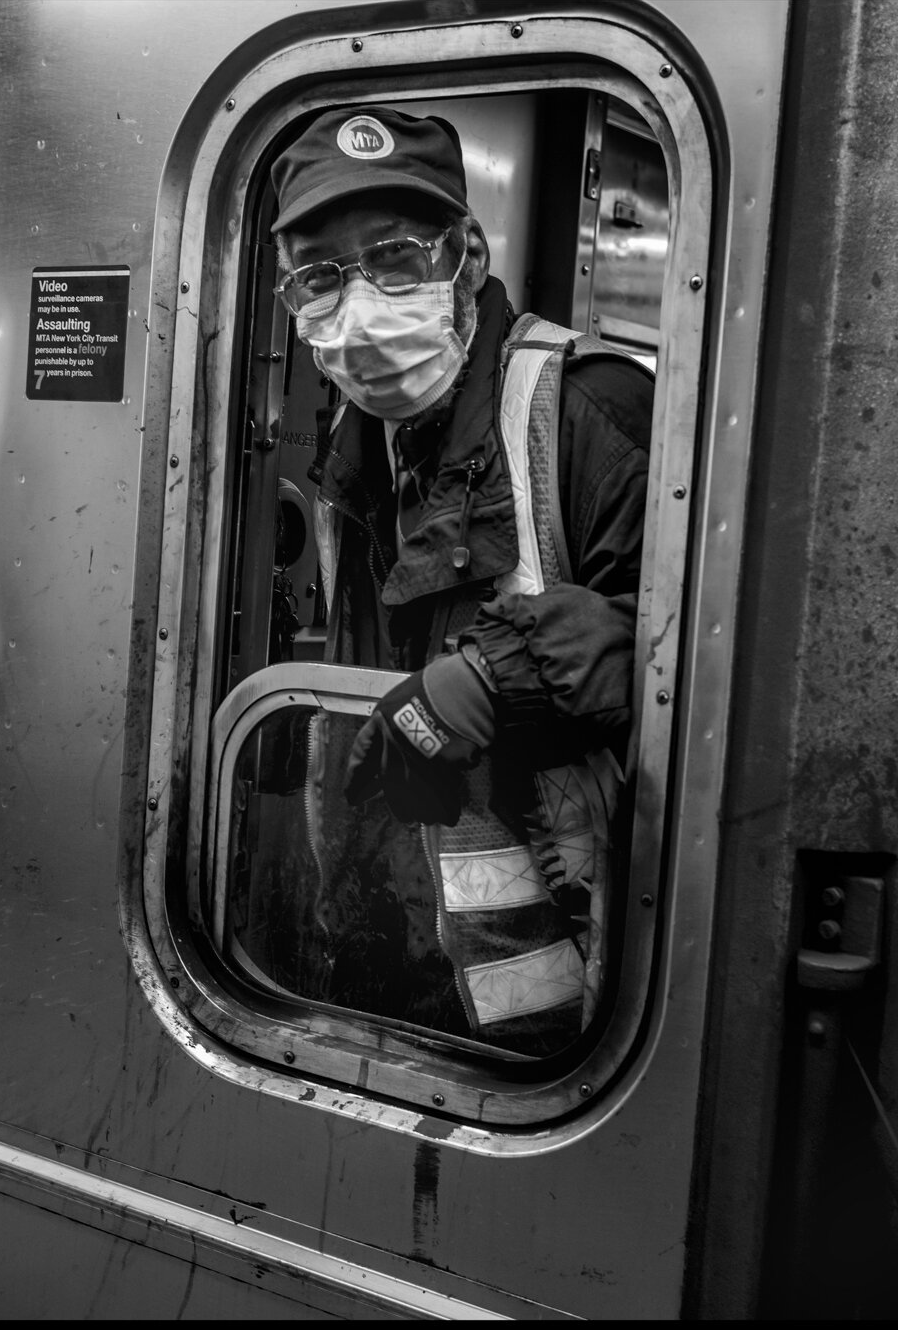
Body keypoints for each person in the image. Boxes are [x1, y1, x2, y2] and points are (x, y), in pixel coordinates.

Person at [247, 106, 653, 1057]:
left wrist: (492, 680)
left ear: (466, 258)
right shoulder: (358, 446)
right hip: (394, 971)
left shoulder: (591, 408)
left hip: (568, 1026)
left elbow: (696, 655)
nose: (357, 309)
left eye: (393, 258)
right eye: (318, 278)